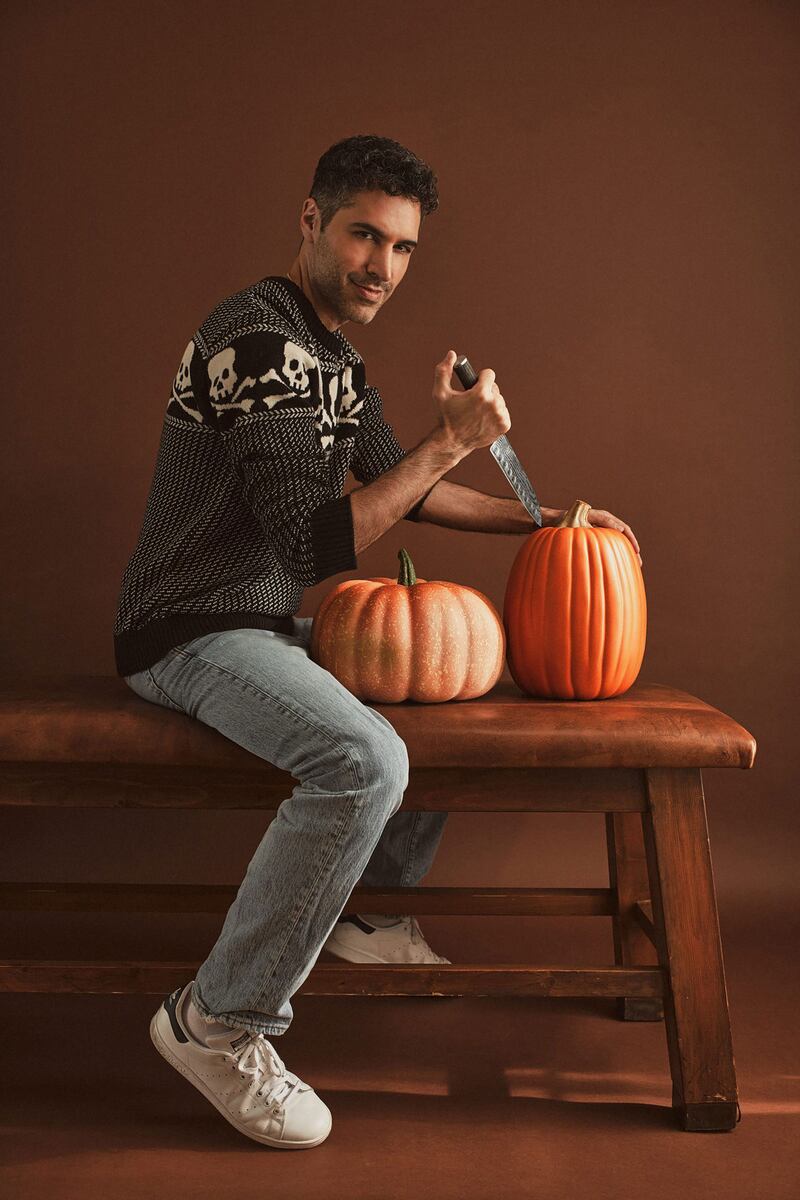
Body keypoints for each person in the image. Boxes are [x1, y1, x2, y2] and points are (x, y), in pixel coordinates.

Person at [114, 134, 642, 1151]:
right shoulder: (259, 340)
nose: (381, 267)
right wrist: (450, 435)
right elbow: (314, 544)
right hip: (185, 629)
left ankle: (357, 910)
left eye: (401, 249)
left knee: (449, 678)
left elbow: (404, 482)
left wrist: (545, 523)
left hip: (258, 624)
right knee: (363, 759)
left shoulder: (334, 358)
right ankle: (217, 1020)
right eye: (363, 235)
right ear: (310, 221)